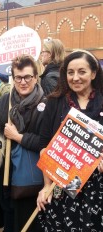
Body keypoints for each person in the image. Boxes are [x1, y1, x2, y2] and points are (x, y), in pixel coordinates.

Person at [37, 49, 103, 231]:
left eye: (82, 72)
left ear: (94, 73)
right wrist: (46, 186)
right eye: (70, 72)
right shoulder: (55, 101)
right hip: (63, 184)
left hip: (97, 188)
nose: (75, 78)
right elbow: (45, 145)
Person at [0, 54, 46, 232]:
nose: (23, 82)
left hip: (33, 178)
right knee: (10, 219)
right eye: (18, 77)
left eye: (27, 77)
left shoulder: (46, 103)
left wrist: (18, 137)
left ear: (35, 77)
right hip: (7, 175)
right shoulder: (4, 101)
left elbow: (46, 142)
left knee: (31, 223)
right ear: (13, 78)